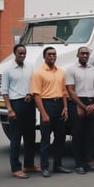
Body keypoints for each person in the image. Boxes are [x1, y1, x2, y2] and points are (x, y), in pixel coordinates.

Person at [31, 46, 72, 178]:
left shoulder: (61, 72)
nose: (52, 56)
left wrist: (65, 108)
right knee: (45, 139)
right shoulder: (38, 73)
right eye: (49, 54)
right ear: (44, 57)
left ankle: (58, 165)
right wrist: (43, 113)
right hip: (46, 105)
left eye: (54, 54)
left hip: (60, 105)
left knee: (60, 138)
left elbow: (64, 92)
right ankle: (45, 167)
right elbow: (36, 95)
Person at [1, 44, 40, 179]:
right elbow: (4, 92)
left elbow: (32, 83)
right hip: (15, 104)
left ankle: (29, 164)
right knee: (16, 138)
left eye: (24, 53)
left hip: (29, 104)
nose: (22, 56)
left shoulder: (30, 66)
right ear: (14, 53)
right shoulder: (7, 70)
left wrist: (30, 94)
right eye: (20, 53)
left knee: (30, 137)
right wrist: (9, 109)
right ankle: (16, 168)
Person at [66, 46, 94, 175]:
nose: (85, 55)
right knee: (78, 135)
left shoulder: (92, 68)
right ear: (77, 55)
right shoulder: (71, 69)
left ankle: (91, 162)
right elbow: (70, 90)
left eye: (87, 54)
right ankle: (79, 164)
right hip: (77, 103)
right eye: (82, 53)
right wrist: (82, 106)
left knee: (92, 134)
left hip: (91, 102)